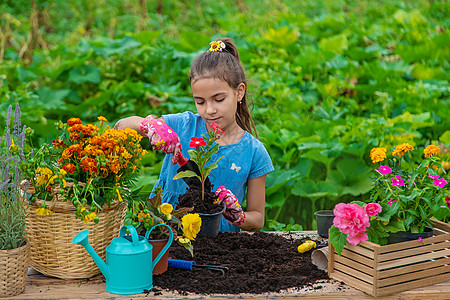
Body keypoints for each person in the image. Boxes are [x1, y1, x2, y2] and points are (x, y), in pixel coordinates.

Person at [114, 38, 274, 232]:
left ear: (239, 92)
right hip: (165, 234)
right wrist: (151, 126)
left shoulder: (254, 152)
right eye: (200, 102)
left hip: (220, 246)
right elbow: (121, 126)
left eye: (219, 99)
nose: (209, 110)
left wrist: (238, 216)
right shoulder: (182, 125)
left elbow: (257, 219)